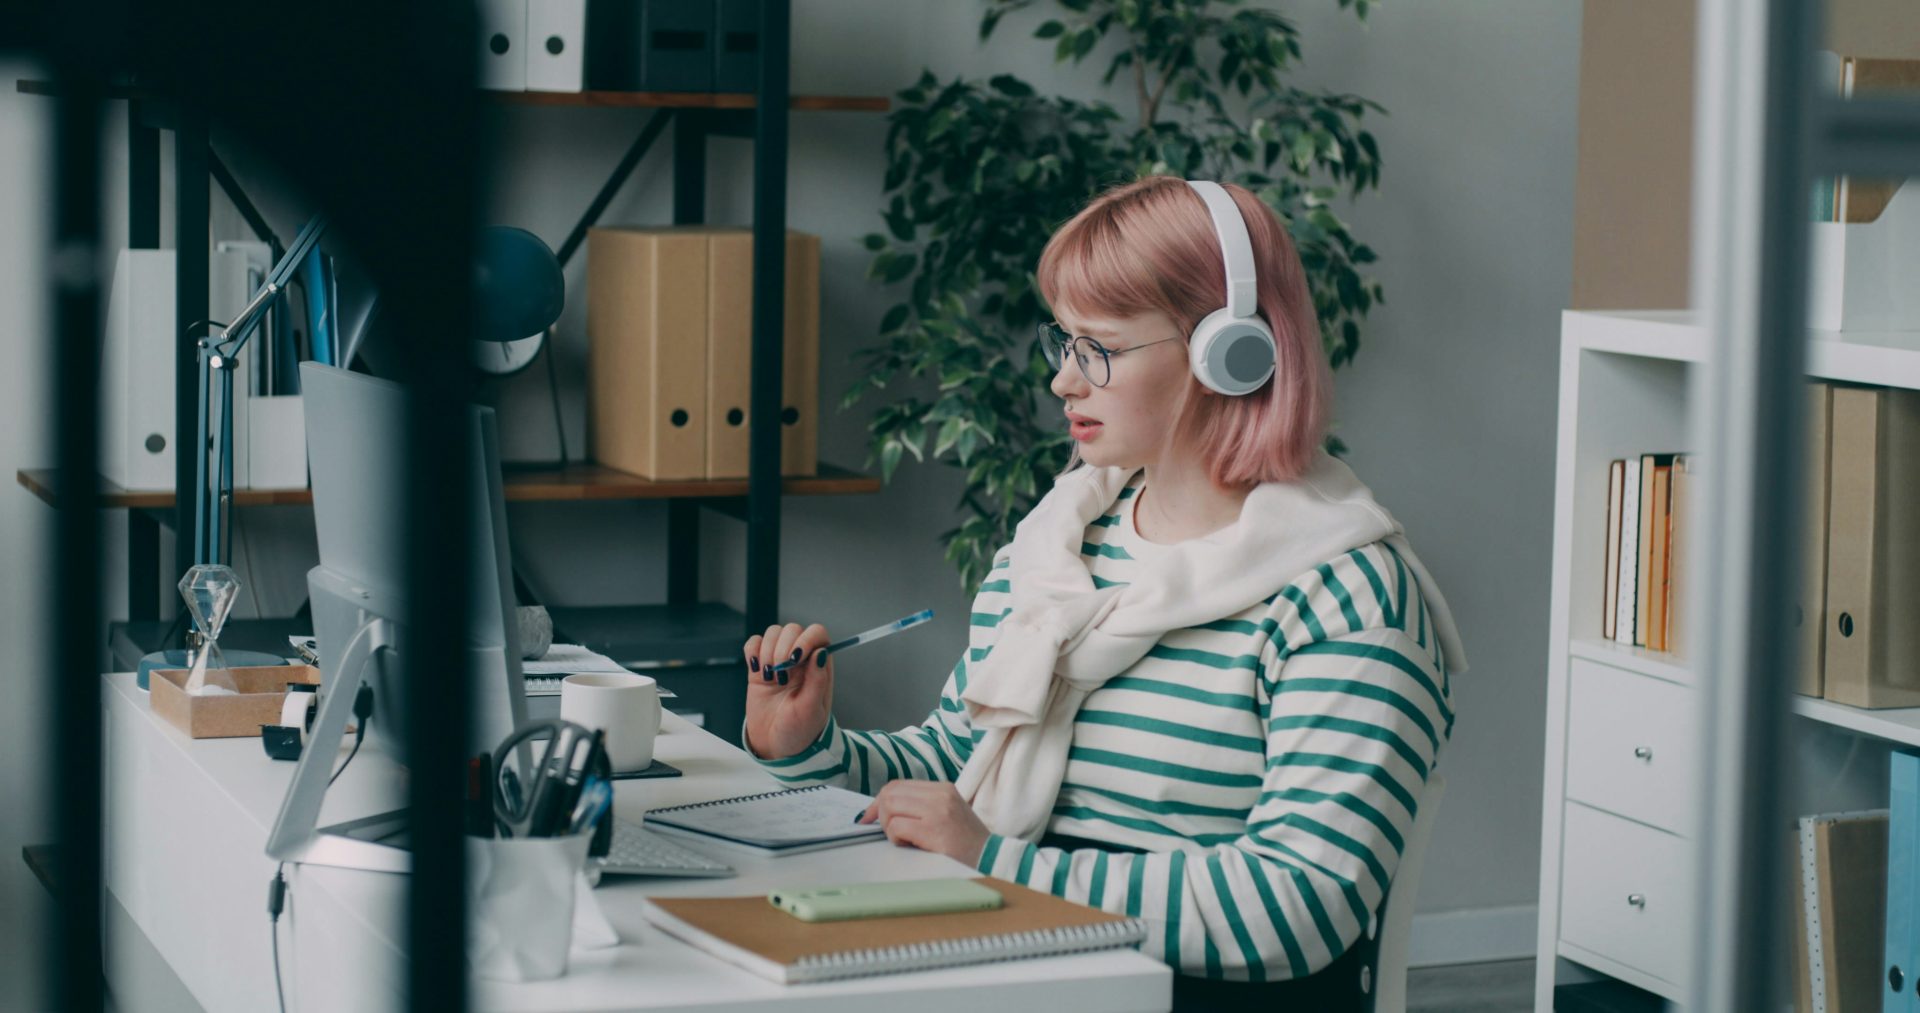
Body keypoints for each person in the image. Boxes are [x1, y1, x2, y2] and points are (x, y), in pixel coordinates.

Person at [740, 175, 1465, 1011]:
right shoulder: (1055, 548)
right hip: (1019, 956)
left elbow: (1295, 907)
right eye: (1065, 343)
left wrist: (998, 867)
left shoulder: (1350, 598)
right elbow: (958, 771)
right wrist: (809, 748)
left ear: (1230, 351)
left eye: (1102, 349)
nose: (1064, 383)